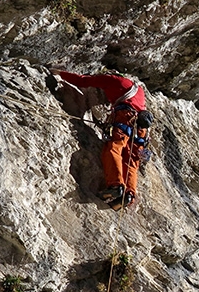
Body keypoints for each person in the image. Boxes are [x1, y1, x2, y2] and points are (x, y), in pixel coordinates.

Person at [54, 70, 153, 210]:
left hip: (126, 117)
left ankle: (116, 185)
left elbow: (83, 81)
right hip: (141, 130)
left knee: (114, 149)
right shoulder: (139, 91)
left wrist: (60, 74)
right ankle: (129, 194)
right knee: (130, 162)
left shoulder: (114, 80)